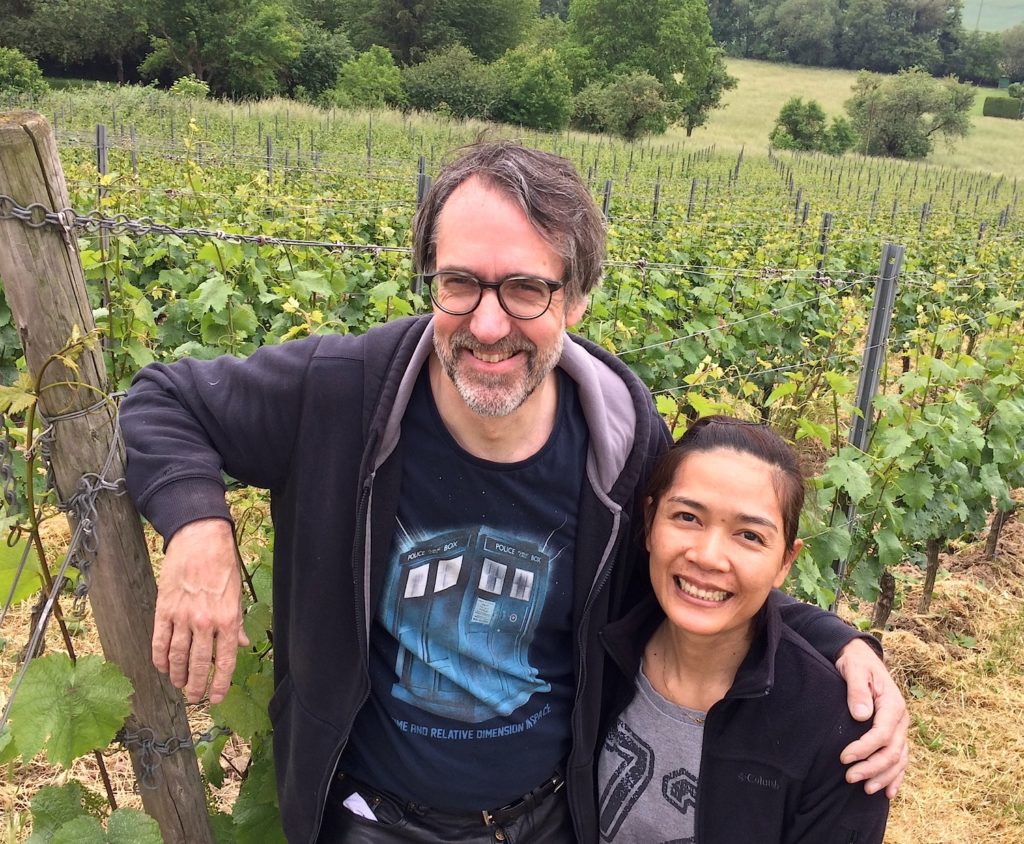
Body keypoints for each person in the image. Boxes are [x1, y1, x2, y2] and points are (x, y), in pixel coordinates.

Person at [120, 142, 907, 844]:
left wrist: (838, 643)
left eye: (526, 289)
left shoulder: (622, 438)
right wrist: (199, 530)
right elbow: (163, 399)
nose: (489, 325)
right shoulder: (341, 393)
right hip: (369, 820)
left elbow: (693, 559)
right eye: (460, 283)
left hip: (551, 819)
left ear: (577, 298)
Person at [597, 416, 890, 842]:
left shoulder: (838, 735)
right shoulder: (598, 648)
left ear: (785, 562)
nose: (708, 556)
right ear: (650, 520)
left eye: (750, 536)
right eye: (687, 516)